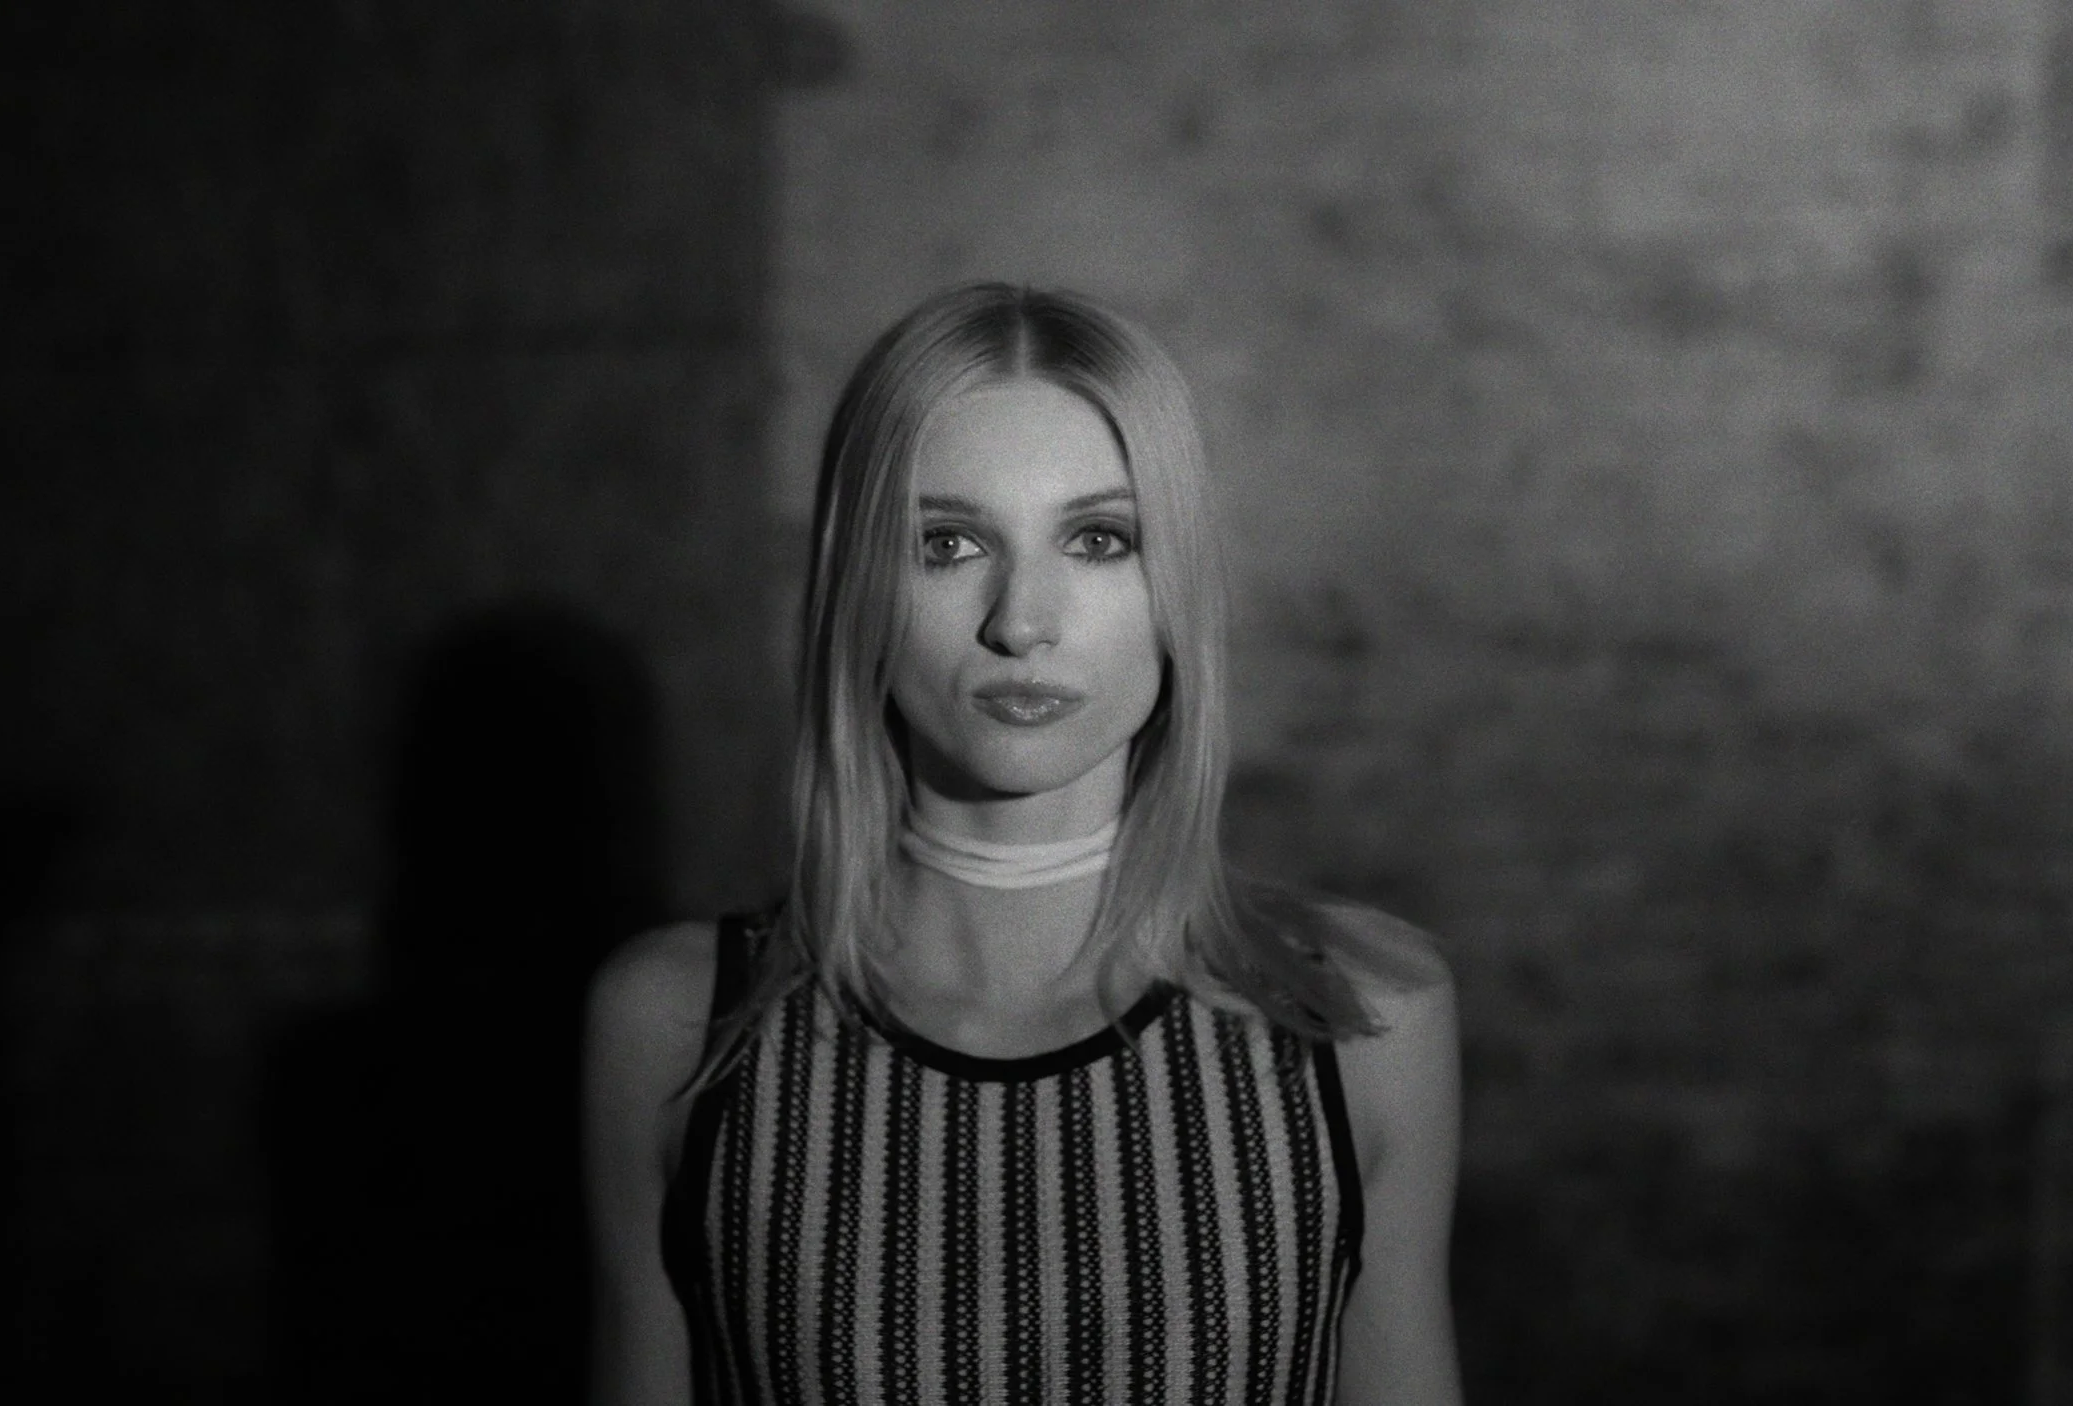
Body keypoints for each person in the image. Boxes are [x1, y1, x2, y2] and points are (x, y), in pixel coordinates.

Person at [582, 283, 1462, 1404]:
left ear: (1175, 585)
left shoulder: (1364, 1019)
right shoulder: (669, 1026)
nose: (1021, 619)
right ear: (858, 586)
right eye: (947, 542)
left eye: (1099, 538)